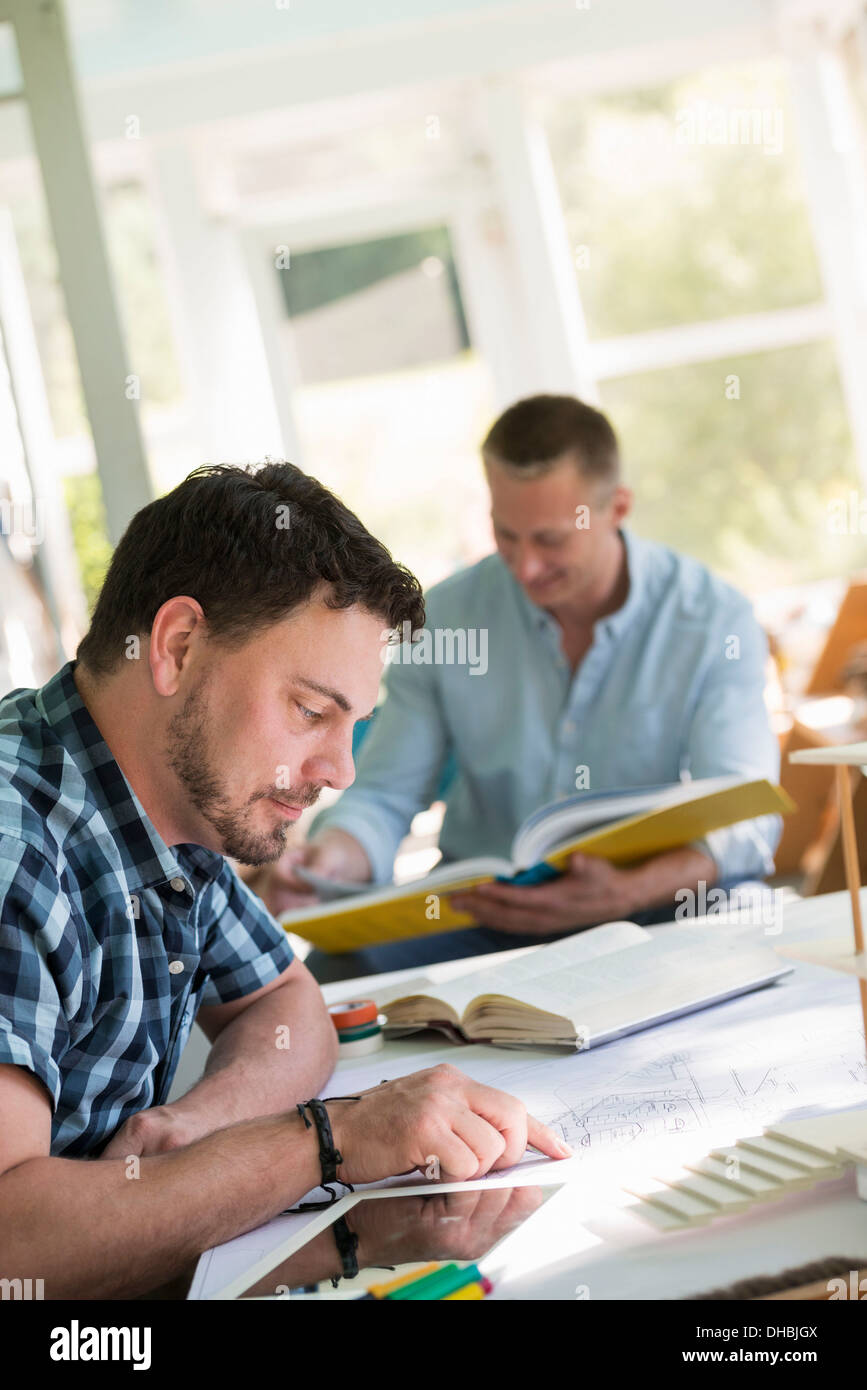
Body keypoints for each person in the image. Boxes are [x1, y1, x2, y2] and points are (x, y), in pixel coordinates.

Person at [0, 462, 569, 1299]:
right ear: (178, 647)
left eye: (354, 725)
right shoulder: (17, 844)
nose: (340, 769)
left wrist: (199, 1125)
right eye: (310, 711)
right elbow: (13, 1244)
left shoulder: (161, 802)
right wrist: (325, 1141)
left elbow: (286, 1007)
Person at [255, 396, 782, 982]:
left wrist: (626, 891)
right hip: (482, 916)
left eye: (551, 540)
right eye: (507, 536)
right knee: (324, 979)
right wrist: (332, 859)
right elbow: (384, 795)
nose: (526, 567)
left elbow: (746, 815)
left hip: (652, 904)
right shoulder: (448, 618)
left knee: (753, 932)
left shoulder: (713, 619)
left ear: (618, 508)